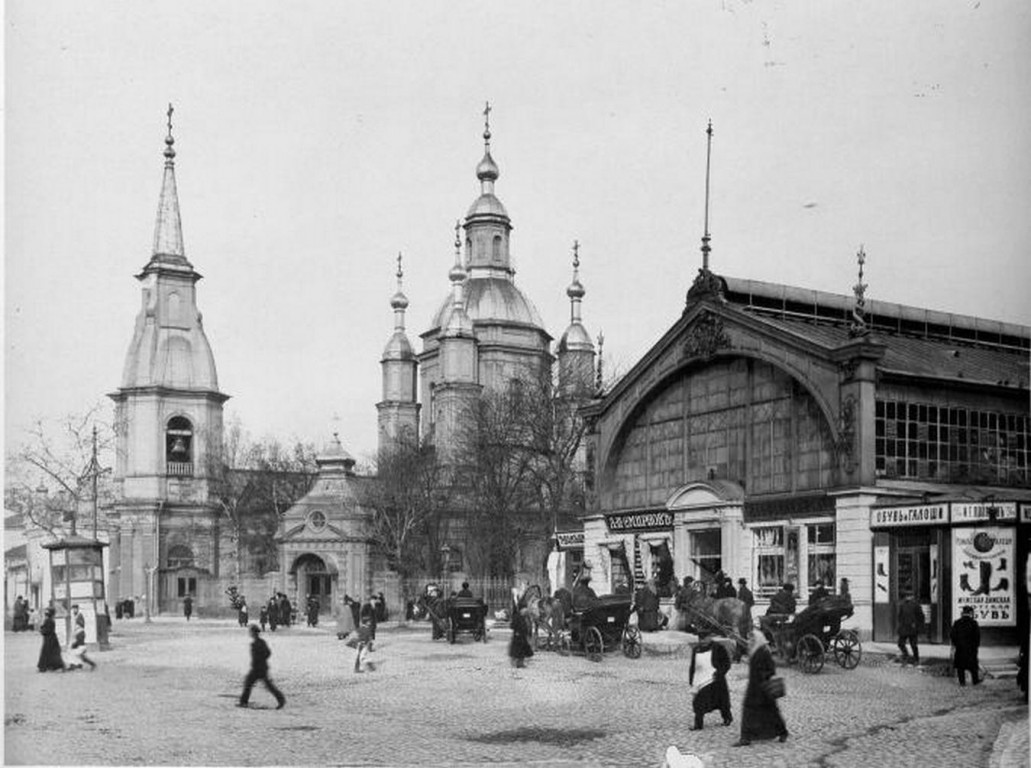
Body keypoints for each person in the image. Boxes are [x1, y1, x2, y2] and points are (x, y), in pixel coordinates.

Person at [734, 630, 788, 746]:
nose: (751, 641)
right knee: (748, 710)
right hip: (753, 687)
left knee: (772, 711)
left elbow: (771, 669)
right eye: (750, 639)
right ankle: (745, 738)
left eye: (753, 639)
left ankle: (783, 732)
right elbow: (745, 646)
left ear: (758, 639)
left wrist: (761, 676)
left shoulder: (764, 651)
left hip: (763, 688)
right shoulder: (755, 650)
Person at [238, 624, 285, 709]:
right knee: (262, 685)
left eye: (251, 632)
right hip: (260, 667)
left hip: (258, 668)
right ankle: (281, 699)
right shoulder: (259, 642)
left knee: (250, 683)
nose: (250, 634)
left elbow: (266, 653)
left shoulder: (257, 643)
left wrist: (259, 660)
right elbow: (267, 653)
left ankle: (243, 702)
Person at [691, 641, 733, 730]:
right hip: (701, 680)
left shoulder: (718, 648)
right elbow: (693, 666)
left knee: (722, 701)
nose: (703, 641)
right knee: (698, 702)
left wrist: (719, 673)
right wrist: (692, 680)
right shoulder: (696, 649)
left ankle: (727, 718)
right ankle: (698, 724)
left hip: (716, 679)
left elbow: (726, 663)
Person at [950, 605, 981, 686]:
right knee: (973, 666)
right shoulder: (974, 623)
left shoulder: (957, 623)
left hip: (960, 648)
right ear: (970, 613)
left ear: (962, 613)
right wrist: (975, 646)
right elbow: (977, 637)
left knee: (961, 667)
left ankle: (962, 682)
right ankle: (975, 680)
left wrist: (956, 644)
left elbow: (952, 635)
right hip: (971, 649)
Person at [896, 593, 924, 666]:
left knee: (913, 645)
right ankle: (906, 656)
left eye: (909, 596)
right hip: (904, 627)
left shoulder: (916, 605)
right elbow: (900, 616)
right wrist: (901, 624)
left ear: (912, 596)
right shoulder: (902, 605)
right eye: (906, 596)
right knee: (900, 643)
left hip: (912, 628)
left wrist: (917, 625)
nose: (907, 597)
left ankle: (916, 659)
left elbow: (921, 617)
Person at [36, 607, 65, 672]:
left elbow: (47, 630)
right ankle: (52, 666)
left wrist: (42, 631)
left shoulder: (49, 620)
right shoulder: (50, 620)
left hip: (49, 639)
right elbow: (45, 627)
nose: (45, 615)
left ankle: (44, 667)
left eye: (46, 614)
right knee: (53, 653)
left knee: (47, 653)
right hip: (51, 639)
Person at [68, 605, 96, 671]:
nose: (74, 610)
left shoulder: (79, 616)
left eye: (75, 609)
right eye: (73, 609)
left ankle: (90, 664)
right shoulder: (74, 616)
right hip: (77, 634)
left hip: (80, 634)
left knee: (79, 651)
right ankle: (75, 665)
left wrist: (77, 624)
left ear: (77, 609)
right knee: (74, 650)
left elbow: (82, 625)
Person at [508, 603, 534, 668]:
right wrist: (517, 631)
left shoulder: (526, 617)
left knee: (523, 651)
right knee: (517, 651)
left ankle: (520, 663)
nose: (526, 611)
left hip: (523, 636)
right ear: (521, 610)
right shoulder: (517, 617)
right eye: (525, 610)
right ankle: (514, 663)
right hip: (518, 636)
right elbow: (512, 626)